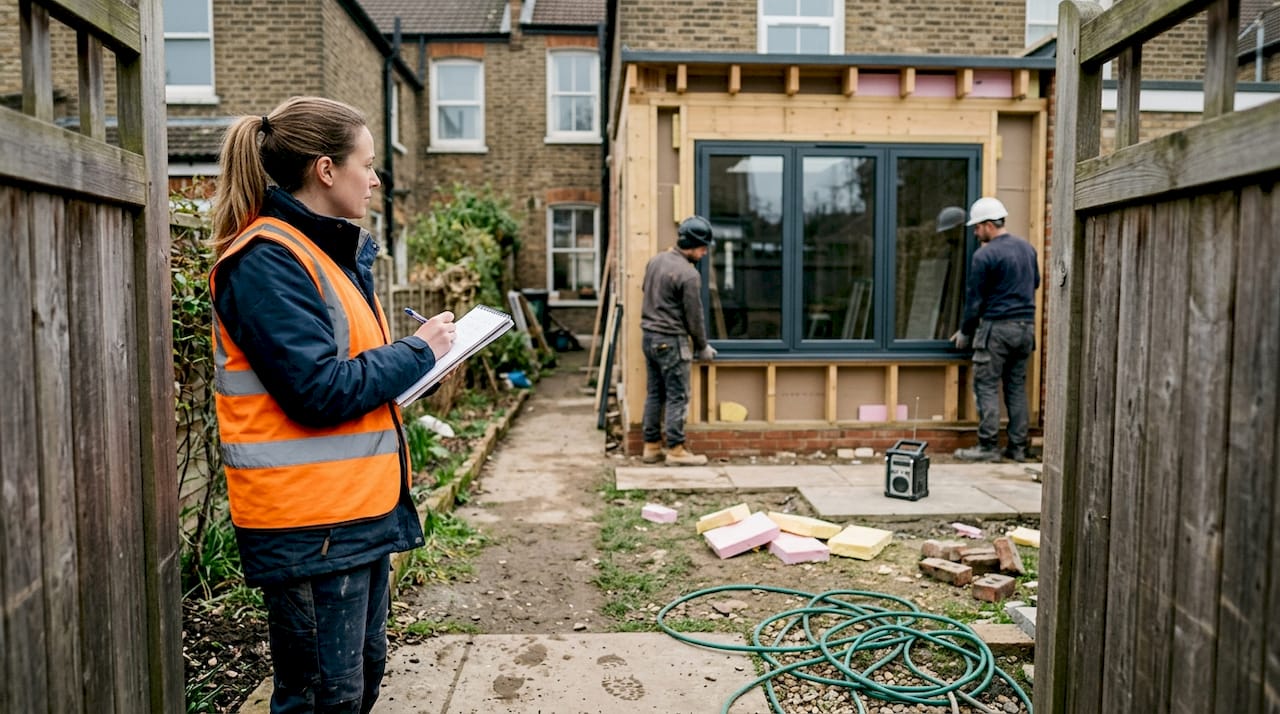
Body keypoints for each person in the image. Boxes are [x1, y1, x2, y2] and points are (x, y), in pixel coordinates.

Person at [208, 96, 457, 713]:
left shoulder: (323, 254)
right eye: (367, 165)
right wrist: (418, 351)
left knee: (357, 683)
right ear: (325, 170)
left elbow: (351, 374)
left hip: (352, 515)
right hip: (310, 526)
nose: (375, 179)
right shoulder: (267, 260)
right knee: (323, 698)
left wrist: (416, 360)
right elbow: (319, 390)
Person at [950, 196, 1040, 463]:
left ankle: (988, 446)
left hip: (997, 329)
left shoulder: (985, 255)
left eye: (977, 227)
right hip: (1025, 329)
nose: (975, 233)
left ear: (989, 225)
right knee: (1015, 387)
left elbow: (974, 300)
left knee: (986, 385)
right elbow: (1034, 282)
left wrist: (965, 332)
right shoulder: (1027, 249)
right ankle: (1017, 448)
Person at [640, 215, 717, 466]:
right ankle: (675, 449)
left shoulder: (655, 261)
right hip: (671, 341)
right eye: (703, 248)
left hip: (649, 338)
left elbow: (647, 291)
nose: (704, 253)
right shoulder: (688, 274)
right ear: (693, 245)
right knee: (677, 396)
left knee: (655, 393)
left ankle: (651, 447)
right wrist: (703, 346)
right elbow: (695, 317)